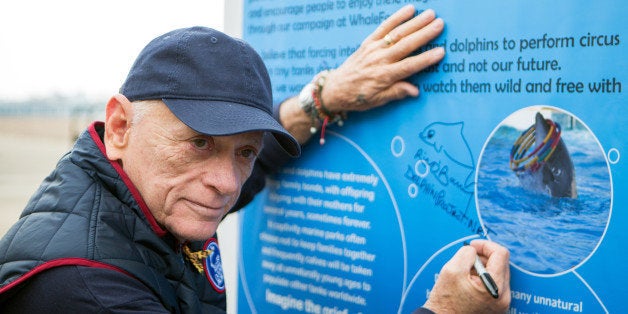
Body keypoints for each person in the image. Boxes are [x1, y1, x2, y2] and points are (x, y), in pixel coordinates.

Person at [0, 5, 510, 313]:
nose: (225, 183)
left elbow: (256, 164)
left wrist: (324, 99)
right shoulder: (88, 290)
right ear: (119, 127)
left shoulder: (144, 192)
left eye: (242, 151)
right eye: (199, 142)